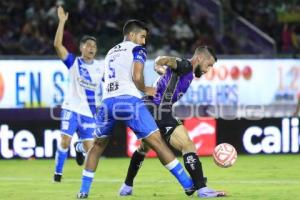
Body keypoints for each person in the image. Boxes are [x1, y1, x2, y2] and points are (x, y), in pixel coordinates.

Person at [77, 19, 196, 199]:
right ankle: (188, 185)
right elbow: (137, 75)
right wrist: (146, 88)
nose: (144, 41)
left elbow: (104, 79)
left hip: (107, 102)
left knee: (97, 146)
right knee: (157, 142)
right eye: (142, 36)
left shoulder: (110, 52)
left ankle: (83, 192)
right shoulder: (137, 49)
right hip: (129, 101)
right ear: (131, 35)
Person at [119, 46, 226, 198]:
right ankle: (201, 188)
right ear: (200, 58)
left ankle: (127, 186)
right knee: (187, 145)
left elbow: (167, 71)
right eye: (209, 65)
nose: (208, 69)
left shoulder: (184, 71)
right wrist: (159, 64)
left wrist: (162, 69)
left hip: (148, 107)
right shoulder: (185, 65)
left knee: (144, 147)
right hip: (159, 108)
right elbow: (164, 60)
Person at [53, 6, 103, 182]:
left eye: (94, 46)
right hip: (71, 108)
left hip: (90, 112)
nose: (91, 48)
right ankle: (58, 175)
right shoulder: (73, 62)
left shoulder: (100, 67)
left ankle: (80, 147)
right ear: (82, 48)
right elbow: (57, 45)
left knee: (91, 150)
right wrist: (61, 23)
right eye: (88, 45)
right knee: (65, 141)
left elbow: (112, 84)